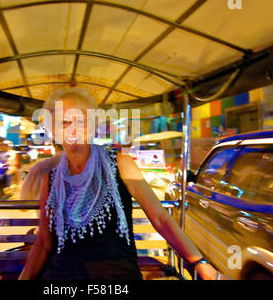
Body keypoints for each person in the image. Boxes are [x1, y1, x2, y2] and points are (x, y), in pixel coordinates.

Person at [18, 88, 225, 280]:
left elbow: (161, 219)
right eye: (64, 122)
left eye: (80, 121)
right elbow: (44, 242)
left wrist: (200, 264)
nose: (73, 128)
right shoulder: (50, 180)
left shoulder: (120, 164)